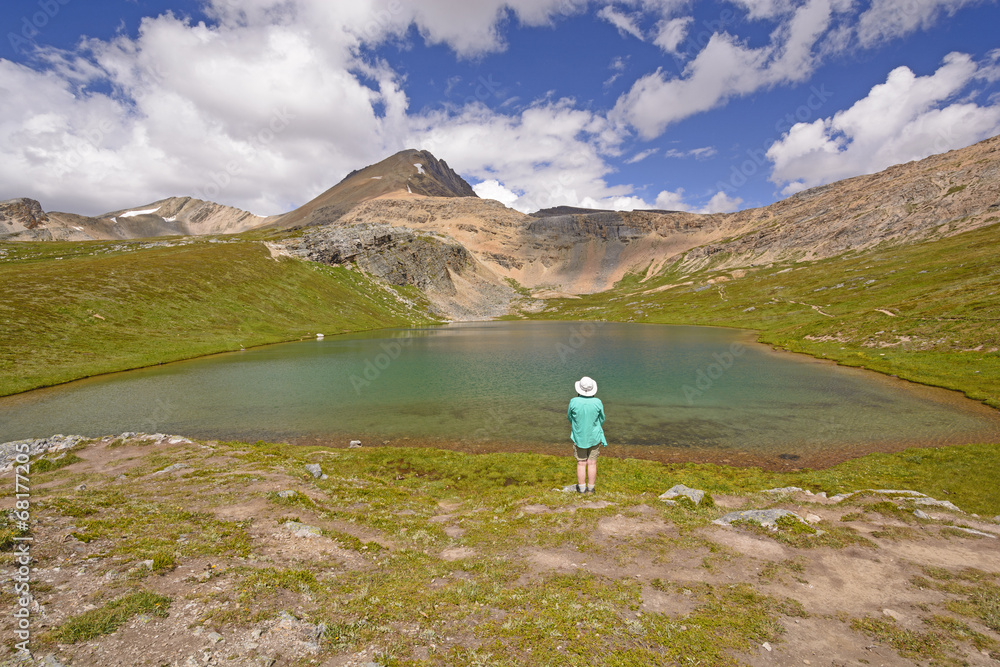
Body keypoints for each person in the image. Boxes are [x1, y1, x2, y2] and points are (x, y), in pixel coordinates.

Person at [567, 376, 607, 494]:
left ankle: (582, 488)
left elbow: (569, 417)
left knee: (581, 462)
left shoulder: (573, 401)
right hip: (594, 436)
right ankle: (591, 489)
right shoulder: (597, 402)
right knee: (592, 463)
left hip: (579, 437)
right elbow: (602, 419)